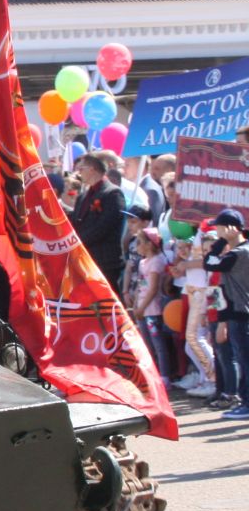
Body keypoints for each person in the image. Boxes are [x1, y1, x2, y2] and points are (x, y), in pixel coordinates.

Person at [202, 209, 249, 416]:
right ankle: (244, 401)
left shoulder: (239, 253)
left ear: (231, 228)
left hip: (241, 313)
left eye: (220, 227)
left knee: (244, 360)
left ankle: (246, 403)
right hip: (237, 313)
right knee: (243, 359)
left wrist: (221, 242)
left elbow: (209, 263)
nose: (217, 231)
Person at [68, 153, 126, 286]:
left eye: (81, 169)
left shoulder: (112, 193)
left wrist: (78, 241)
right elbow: (76, 221)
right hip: (85, 259)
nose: (79, 173)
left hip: (104, 262)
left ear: (92, 169)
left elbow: (104, 226)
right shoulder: (83, 196)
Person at [172, 233, 217, 398]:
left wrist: (187, 264)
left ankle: (214, 380)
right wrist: (182, 268)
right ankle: (206, 378)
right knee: (190, 345)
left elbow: (208, 264)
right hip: (195, 295)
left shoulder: (204, 232)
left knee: (197, 340)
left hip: (204, 296)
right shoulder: (196, 235)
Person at [130, 227, 175, 380]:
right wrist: (136, 303)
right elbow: (140, 284)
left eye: (140, 242)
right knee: (147, 345)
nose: (137, 246)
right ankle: (152, 374)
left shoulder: (156, 261)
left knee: (159, 345)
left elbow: (153, 287)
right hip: (142, 308)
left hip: (153, 309)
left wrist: (141, 307)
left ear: (149, 244)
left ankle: (165, 376)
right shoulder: (143, 262)